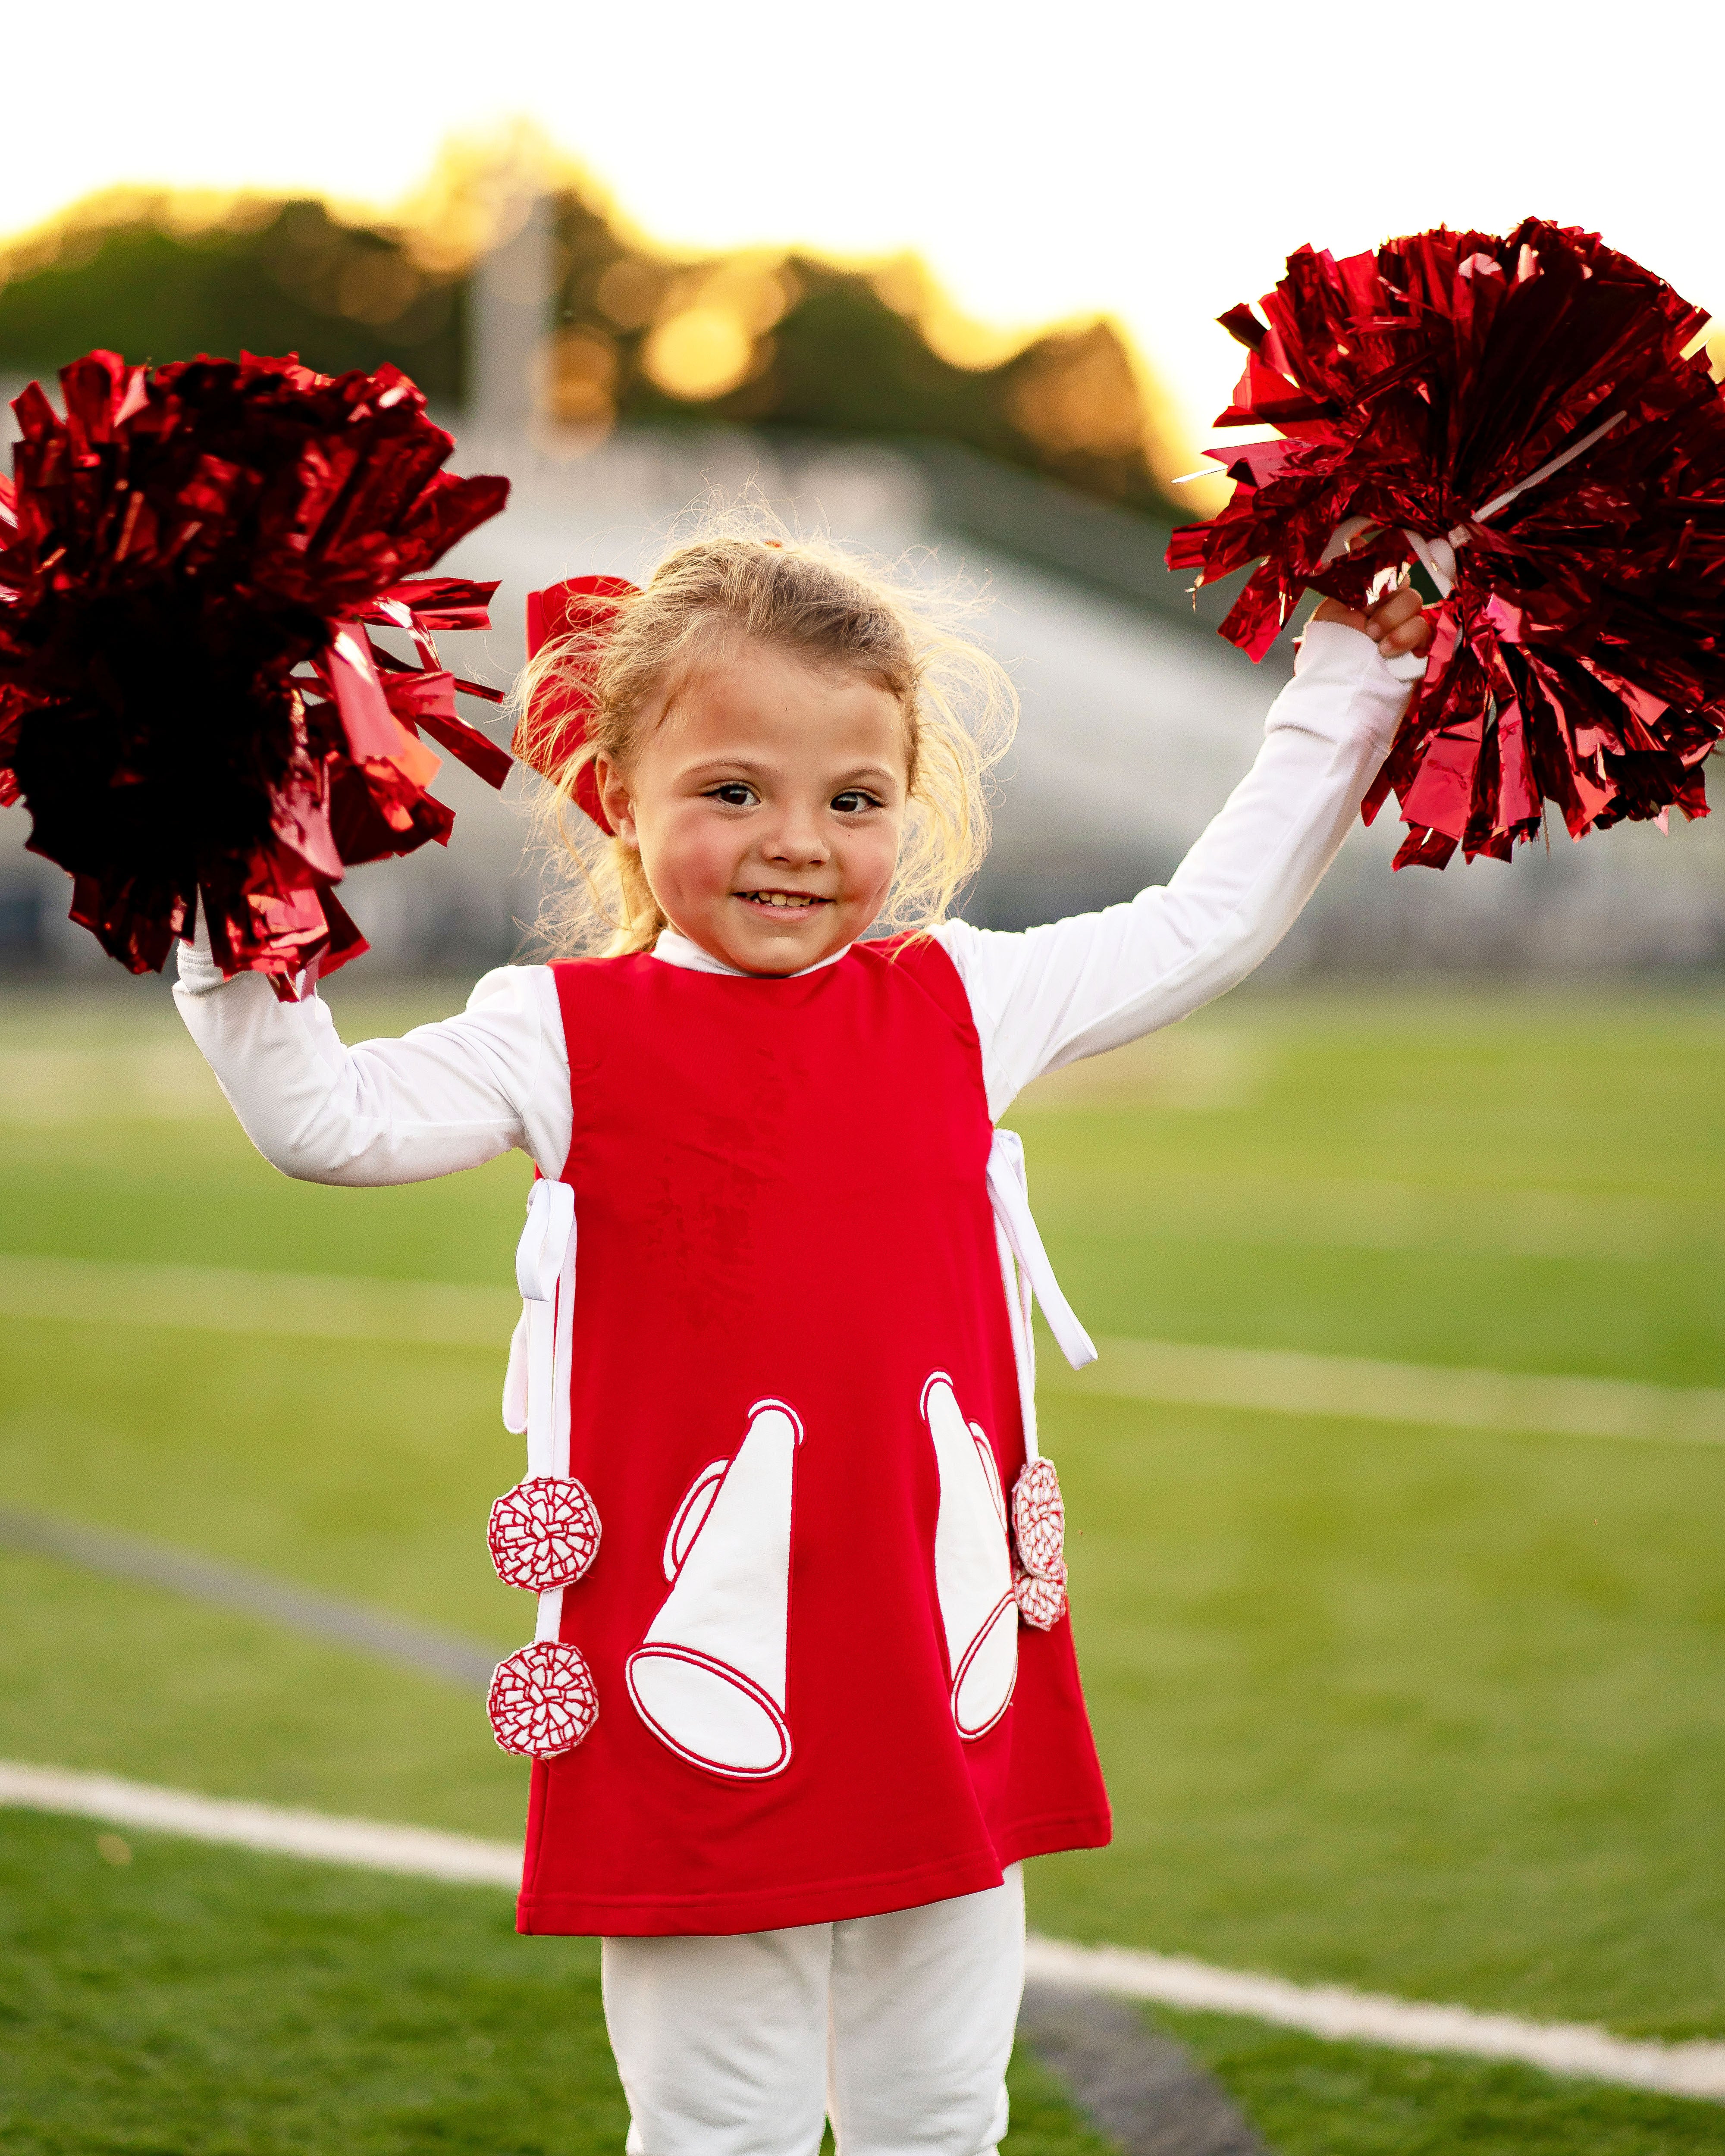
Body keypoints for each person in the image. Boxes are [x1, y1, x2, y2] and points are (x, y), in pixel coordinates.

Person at [175, 523, 1429, 2156]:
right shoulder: (558, 1034)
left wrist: (1354, 664)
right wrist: (204, 861)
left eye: (854, 799)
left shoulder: (962, 1001)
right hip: (698, 1699)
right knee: (721, 2133)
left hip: (939, 1679)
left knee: (938, 2119)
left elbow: (1210, 914)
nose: (797, 844)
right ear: (619, 792)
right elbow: (319, 1121)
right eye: (731, 792)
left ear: (911, 809)